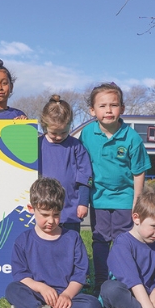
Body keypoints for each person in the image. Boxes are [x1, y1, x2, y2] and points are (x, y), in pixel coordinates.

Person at [78, 83, 151, 296]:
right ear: (92, 110)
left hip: (125, 200)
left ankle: (123, 283)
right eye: (102, 106)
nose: (108, 110)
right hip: (98, 199)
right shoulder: (87, 134)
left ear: (122, 108)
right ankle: (100, 283)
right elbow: (81, 165)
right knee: (100, 241)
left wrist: (137, 201)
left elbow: (139, 172)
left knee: (122, 243)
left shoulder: (132, 138)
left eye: (114, 105)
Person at [5, 178, 101, 308]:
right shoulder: (23, 241)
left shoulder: (73, 238)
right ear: (31, 209)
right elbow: (21, 275)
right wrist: (41, 288)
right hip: (37, 294)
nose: (51, 221)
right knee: (13, 289)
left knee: (93, 306)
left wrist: (67, 295)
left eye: (56, 215)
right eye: (45, 215)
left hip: (65, 297)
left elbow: (80, 275)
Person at [38, 95, 92, 232]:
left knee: (70, 243)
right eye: (54, 133)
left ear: (70, 125)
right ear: (44, 126)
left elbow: (85, 176)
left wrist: (83, 203)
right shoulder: (36, 145)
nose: (59, 137)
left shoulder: (76, 146)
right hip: (43, 210)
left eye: (64, 132)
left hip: (70, 211)